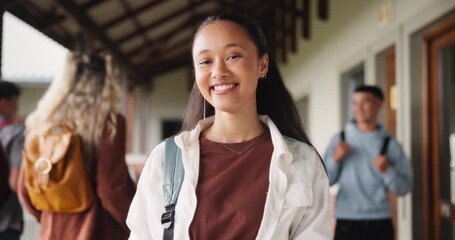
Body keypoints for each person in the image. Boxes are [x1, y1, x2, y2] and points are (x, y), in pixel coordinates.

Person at [127, 13, 331, 239]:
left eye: (233, 56)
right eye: (205, 61)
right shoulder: (166, 159)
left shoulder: (303, 161)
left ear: (262, 65)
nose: (218, 72)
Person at [18, 52, 136, 239]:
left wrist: (52, 212)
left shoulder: (42, 122)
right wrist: (135, 223)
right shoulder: (108, 123)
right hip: (97, 228)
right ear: (107, 83)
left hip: (52, 230)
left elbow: (26, 188)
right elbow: (111, 188)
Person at [324, 85, 413, 240]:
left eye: (365, 102)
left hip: (380, 223)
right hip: (346, 221)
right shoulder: (339, 140)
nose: (358, 108)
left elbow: (404, 188)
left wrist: (387, 171)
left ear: (379, 104)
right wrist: (335, 160)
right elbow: (325, 182)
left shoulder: (390, 144)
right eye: (354, 102)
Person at [0, 81, 24, 240]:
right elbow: (15, 183)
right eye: (15, 101)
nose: (17, 106)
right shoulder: (15, 133)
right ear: (4, 102)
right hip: (6, 221)